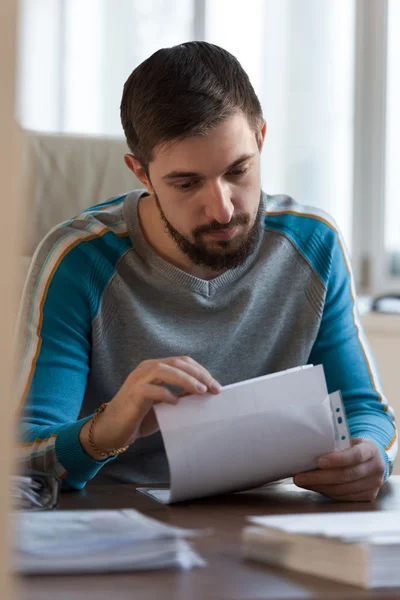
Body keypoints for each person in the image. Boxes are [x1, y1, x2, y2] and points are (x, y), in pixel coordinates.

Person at [17, 42, 396, 501]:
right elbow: (22, 461)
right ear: (141, 173)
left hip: (263, 522)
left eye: (238, 171)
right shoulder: (77, 260)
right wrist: (110, 426)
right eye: (186, 183)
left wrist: (369, 452)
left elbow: (364, 410)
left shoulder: (314, 244)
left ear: (260, 138)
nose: (222, 210)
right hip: (119, 526)